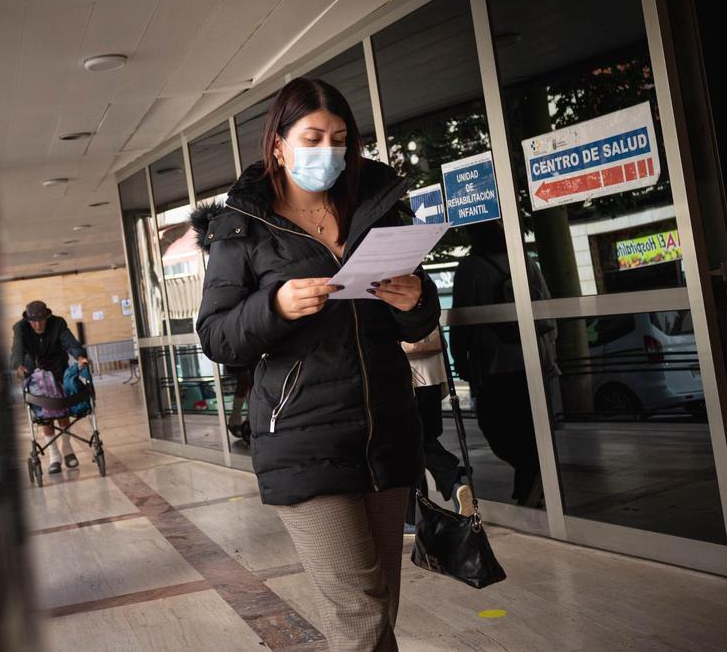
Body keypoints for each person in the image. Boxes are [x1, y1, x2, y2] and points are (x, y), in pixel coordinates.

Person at [193, 77, 439, 651]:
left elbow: (416, 322)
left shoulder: (377, 208)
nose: (327, 150)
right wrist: (273, 307)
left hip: (386, 427)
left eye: (339, 138)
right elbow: (216, 336)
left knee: (380, 602)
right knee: (359, 606)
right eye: (312, 137)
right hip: (301, 434)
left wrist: (416, 300)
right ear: (278, 144)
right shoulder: (243, 228)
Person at [449, 221, 556, 507]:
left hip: (496, 364)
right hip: (532, 359)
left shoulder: (471, 267)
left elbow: (461, 320)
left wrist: (460, 358)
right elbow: (545, 306)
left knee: (495, 425)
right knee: (528, 426)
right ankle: (530, 476)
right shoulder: (525, 262)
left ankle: (530, 472)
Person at [401, 326, 471, 535]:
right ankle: (417, 514)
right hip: (431, 375)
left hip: (407, 378)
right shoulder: (425, 295)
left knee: (408, 444)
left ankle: (417, 515)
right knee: (423, 440)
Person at [9, 301, 90, 474]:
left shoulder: (58, 323)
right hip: (35, 375)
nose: (37, 324)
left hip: (58, 370)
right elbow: (17, 348)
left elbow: (70, 342)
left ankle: (67, 450)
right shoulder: (21, 328)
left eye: (41, 320)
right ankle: (54, 456)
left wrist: (80, 357)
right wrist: (19, 365)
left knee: (61, 410)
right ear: (28, 320)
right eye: (33, 321)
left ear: (47, 317)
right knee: (45, 415)